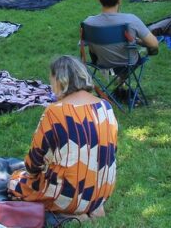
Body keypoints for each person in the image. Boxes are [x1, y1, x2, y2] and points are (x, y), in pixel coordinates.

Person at [8, 56, 117, 217]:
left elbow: (33, 164)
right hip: (101, 192)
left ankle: (71, 213)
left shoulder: (55, 112)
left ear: (60, 80)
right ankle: (90, 208)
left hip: (66, 195)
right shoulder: (105, 106)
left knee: (14, 181)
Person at [84, 0, 160, 57]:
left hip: (100, 63)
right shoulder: (131, 20)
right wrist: (136, 40)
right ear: (120, 0)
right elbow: (154, 44)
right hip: (127, 64)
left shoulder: (88, 22)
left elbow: (84, 44)